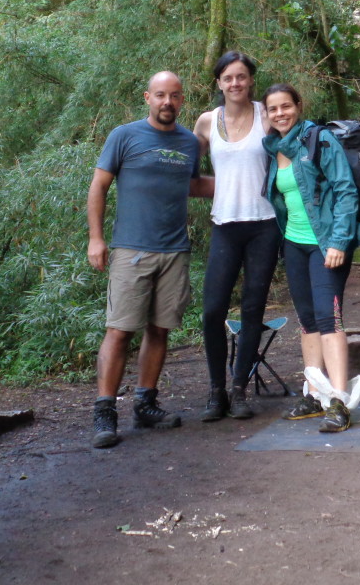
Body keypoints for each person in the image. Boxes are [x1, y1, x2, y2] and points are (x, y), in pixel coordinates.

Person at [87, 71, 212, 449]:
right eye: (160, 95)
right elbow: (99, 186)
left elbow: (190, 185)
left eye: (174, 96)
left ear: (182, 100)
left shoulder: (189, 142)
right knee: (120, 330)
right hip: (131, 249)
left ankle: (146, 403)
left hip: (174, 251)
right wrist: (96, 238)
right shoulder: (123, 136)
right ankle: (105, 411)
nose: (167, 103)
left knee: (160, 329)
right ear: (147, 97)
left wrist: (250, 182)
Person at [261, 83, 360, 433]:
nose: (280, 114)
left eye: (285, 107)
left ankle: (339, 400)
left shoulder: (319, 139)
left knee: (328, 319)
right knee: (307, 321)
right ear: (267, 114)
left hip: (326, 245)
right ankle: (314, 392)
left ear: (298, 106)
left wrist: (338, 241)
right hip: (294, 244)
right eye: (273, 109)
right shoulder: (273, 146)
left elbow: (346, 190)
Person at [192, 51, 282, 421]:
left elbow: (290, 159)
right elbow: (188, 173)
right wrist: (224, 188)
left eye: (241, 77)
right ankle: (216, 391)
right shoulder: (206, 122)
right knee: (213, 309)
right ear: (218, 83)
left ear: (250, 80)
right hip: (225, 225)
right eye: (228, 78)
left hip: (265, 224)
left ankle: (239, 388)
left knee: (252, 309)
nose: (235, 84)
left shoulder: (267, 115)